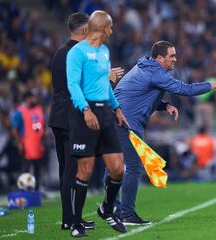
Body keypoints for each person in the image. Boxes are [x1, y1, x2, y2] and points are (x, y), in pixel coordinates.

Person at [113, 40, 216, 225]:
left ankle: (111, 206)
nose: (175, 59)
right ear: (159, 58)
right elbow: (185, 89)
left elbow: (136, 94)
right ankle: (126, 214)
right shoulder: (157, 73)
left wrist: (164, 105)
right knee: (133, 168)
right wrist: (212, 85)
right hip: (127, 123)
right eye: (171, 56)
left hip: (115, 119)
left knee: (114, 166)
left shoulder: (142, 66)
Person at [66, 10, 129, 238]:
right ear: (103, 29)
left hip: (105, 112)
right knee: (86, 169)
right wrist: (85, 109)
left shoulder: (104, 51)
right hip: (84, 113)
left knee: (117, 168)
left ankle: (107, 208)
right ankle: (76, 223)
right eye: (110, 28)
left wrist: (117, 108)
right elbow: (73, 85)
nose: (112, 32)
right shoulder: (77, 53)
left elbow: (104, 84)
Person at [49, 12, 96, 231]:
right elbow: (76, 85)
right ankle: (69, 219)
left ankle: (74, 216)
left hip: (59, 115)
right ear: (85, 30)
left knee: (70, 169)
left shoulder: (60, 52)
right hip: (70, 117)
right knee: (71, 169)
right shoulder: (76, 54)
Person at [11, 91, 44, 191]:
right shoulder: (19, 112)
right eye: (32, 98)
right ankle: (23, 190)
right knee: (26, 169)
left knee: (37, 169)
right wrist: (19, 143)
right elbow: (14, 129)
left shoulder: (36, 110)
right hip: (26, 145)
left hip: (37, 145)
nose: (34, 100)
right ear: (27, 98)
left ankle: (37, 190)